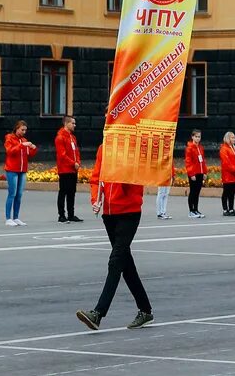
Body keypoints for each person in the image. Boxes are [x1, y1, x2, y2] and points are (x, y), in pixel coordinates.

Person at [75, 142, 153, 331]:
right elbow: (96, 177)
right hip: (109, 214)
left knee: (116, 261)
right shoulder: (103, 148)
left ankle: (98, 313)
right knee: (126, 265)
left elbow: (134, 178)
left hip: (129, 212)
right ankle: (145, 310)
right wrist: (96, 199)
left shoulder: (133, 148)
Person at [3, 120, 37, 226]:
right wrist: (22, 145)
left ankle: (16, 217)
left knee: (19, 194)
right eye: (22, 130)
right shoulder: (9, 138)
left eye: (25, 130)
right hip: (12, 169)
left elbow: (28, 154)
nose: (24, 132)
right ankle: (8, 218)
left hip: (22, 170)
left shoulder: (24, 140)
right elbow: (10, 151)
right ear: (16, 128)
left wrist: (33, 148)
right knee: (12, 193)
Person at [55, 115, 83, 223]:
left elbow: (76, 152)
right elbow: (62, 155)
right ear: (66, 124)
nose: (74, 125)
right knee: (63, 191)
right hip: (65, 169)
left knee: (72, 192)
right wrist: (73, 163)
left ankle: (71, 214)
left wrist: (78, 162)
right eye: (73, 123)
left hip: (73, 169)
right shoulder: (60, 137)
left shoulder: (72, 137)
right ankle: (61, 215)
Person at [184, 129, 207, 219]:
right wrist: (191, 173)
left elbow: (203, 161)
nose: (198, 138)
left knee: (197, 192)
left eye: (199, 137)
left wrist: (204, 172)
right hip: (194, 173)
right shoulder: (189, 148)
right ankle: (191, 210)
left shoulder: (200, 148)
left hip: (200, 172)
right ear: (192, 137)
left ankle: (196, 209)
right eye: (196, 136)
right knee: (193, 191)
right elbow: (188, 162)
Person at [220, 132, 235, 217]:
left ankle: (231, 208)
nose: (234, 139)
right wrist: (234, 170)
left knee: (232, 193)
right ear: (228, 138)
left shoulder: (234, 148)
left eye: (234, 138)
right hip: (228, 175)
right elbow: (226, 162)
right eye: (232, 138)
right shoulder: (224, 149)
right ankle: (225, 209)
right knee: (226, 192)